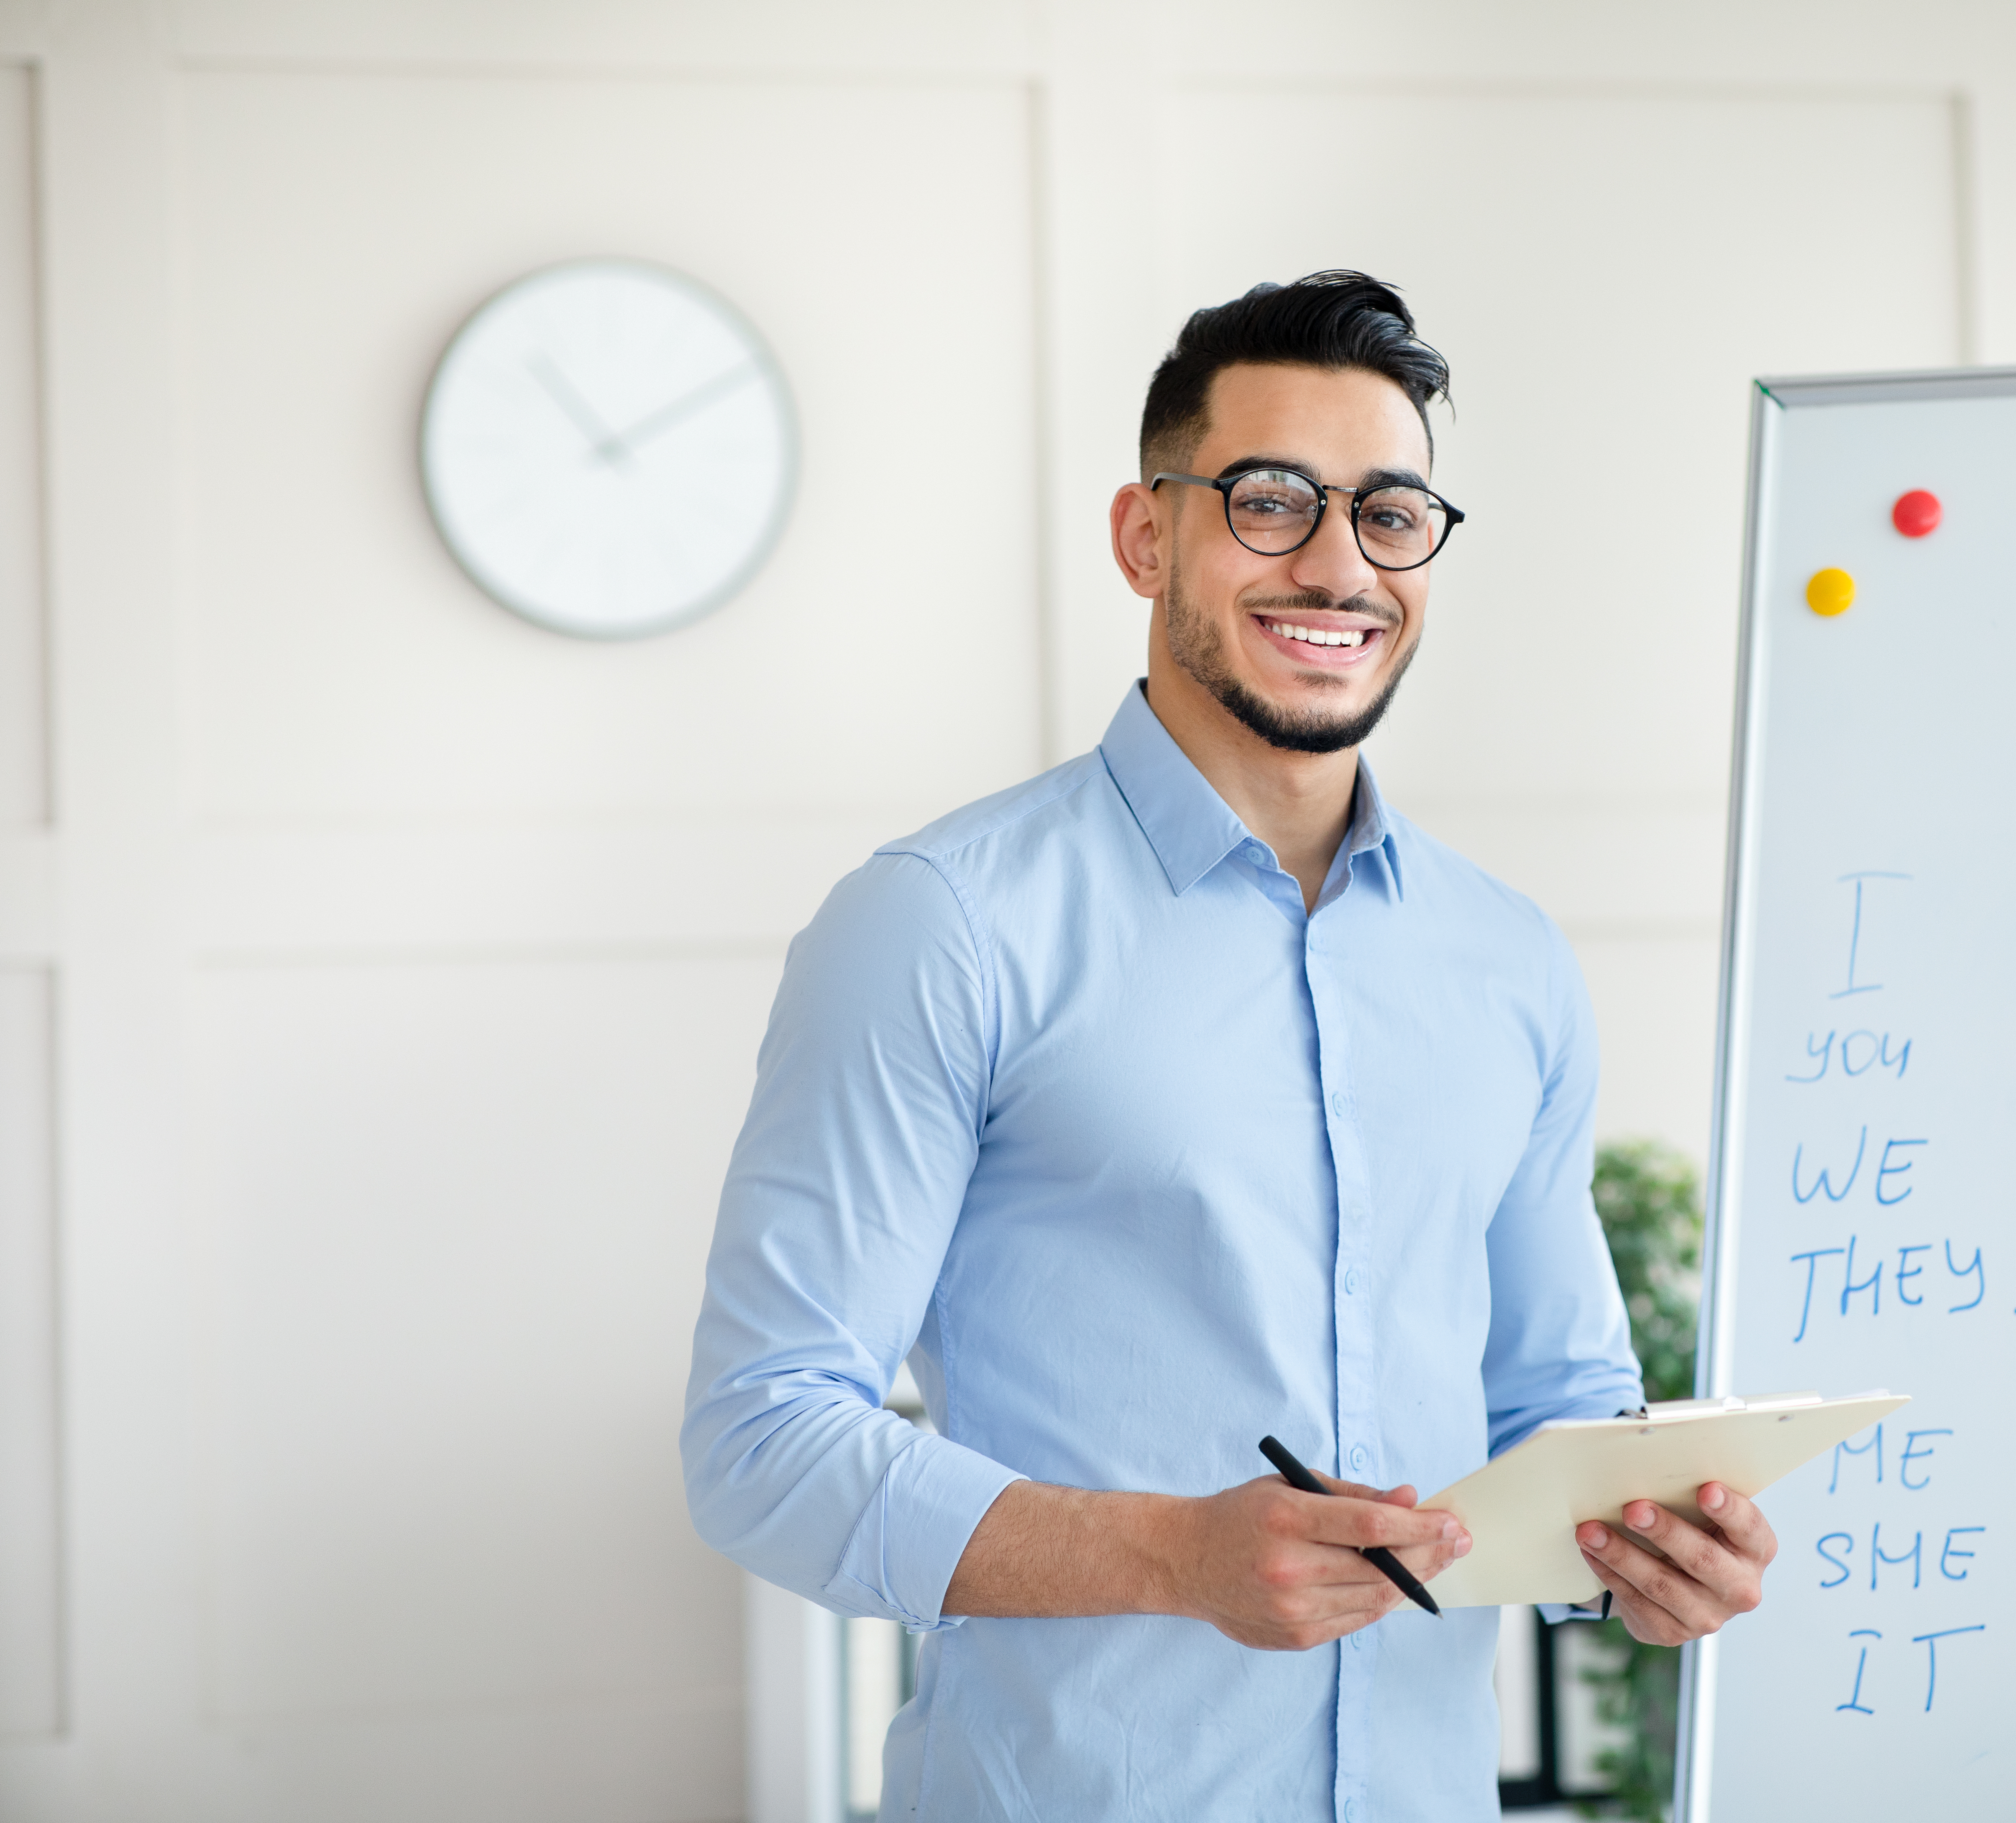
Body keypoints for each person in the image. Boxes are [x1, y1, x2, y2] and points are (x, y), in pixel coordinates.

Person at [681, 271, 1776, 1820]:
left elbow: (1555, 1407)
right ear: (1148, 535)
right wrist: (1172, 1556)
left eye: (1391, 514)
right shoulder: (940, 926)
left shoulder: (1507, 960)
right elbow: (761, 1438)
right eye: (1271, 502)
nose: (1338, 564)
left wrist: (1641, 1562)